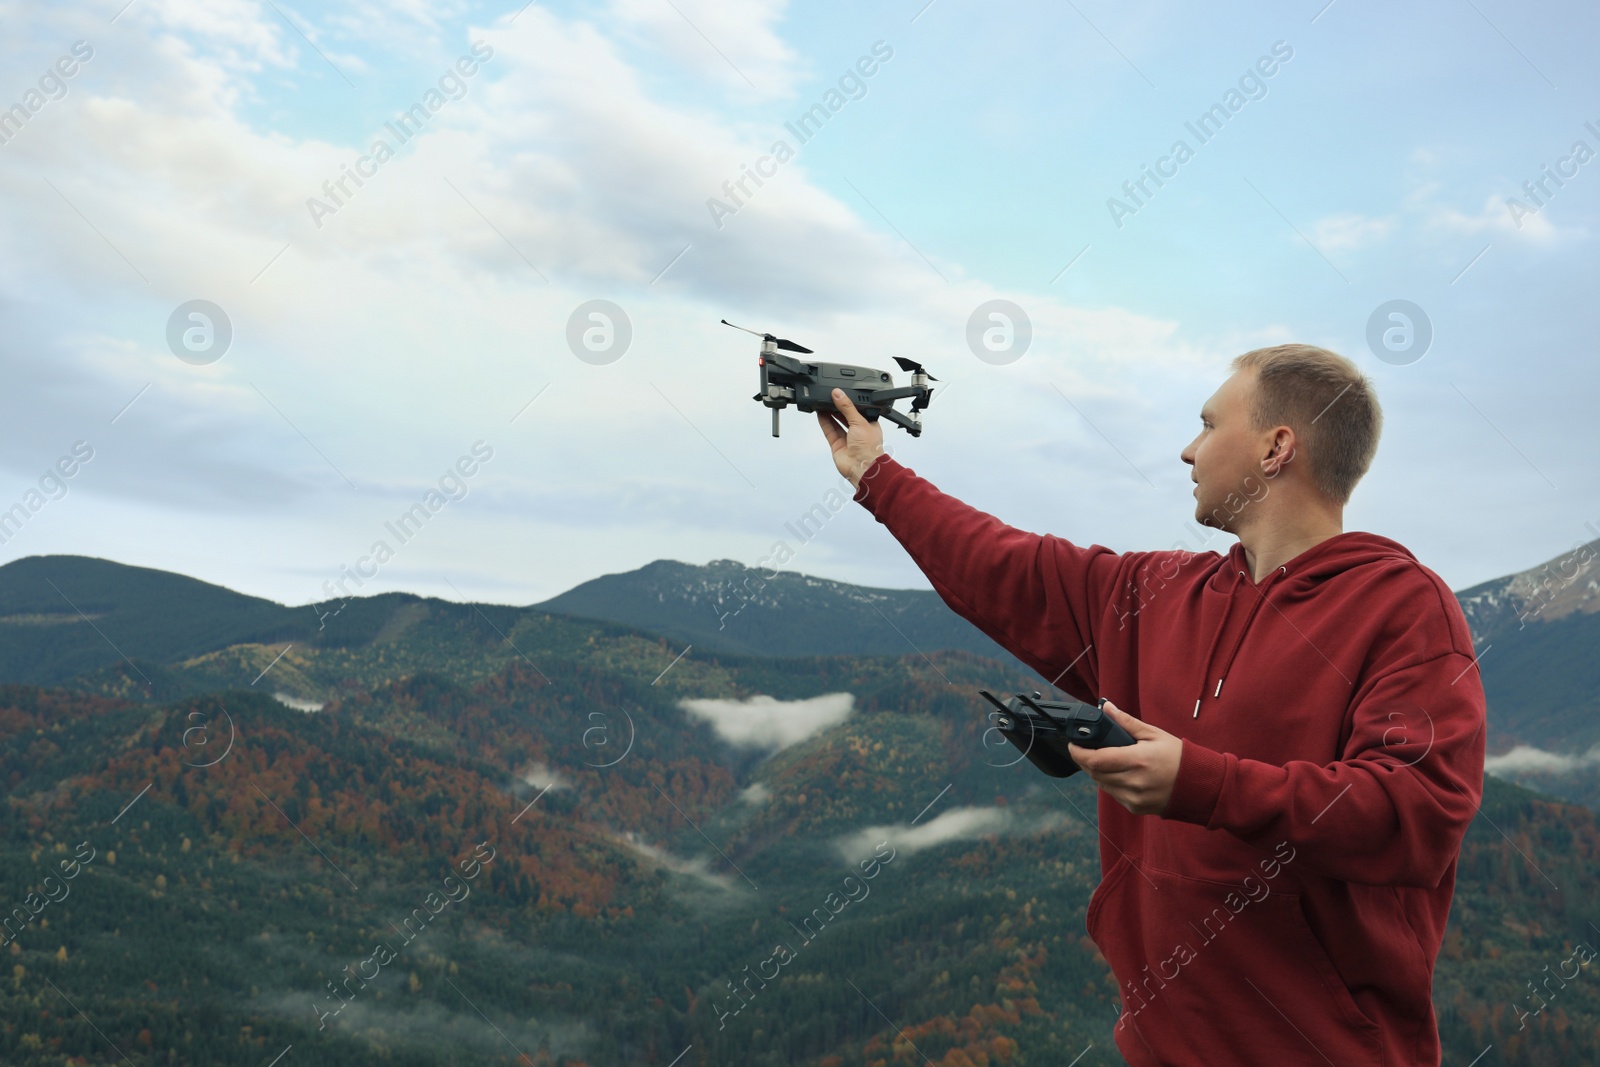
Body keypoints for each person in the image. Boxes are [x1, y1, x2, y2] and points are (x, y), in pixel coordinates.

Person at [817, 344, 1486, 1067]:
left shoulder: (1404, 609)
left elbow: (1417, 813)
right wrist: (875, 474)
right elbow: (1001, 566)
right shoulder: (1153, 592)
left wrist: (1203, 783)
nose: (1187, 449)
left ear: (1276, 446)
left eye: (1207, 424)